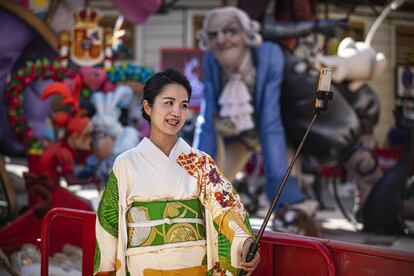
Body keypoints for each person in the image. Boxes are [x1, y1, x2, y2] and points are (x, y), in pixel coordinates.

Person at [94, 68, 260, 275]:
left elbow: (226, 207)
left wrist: (244, 242)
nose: (177, 112)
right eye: (168, 103)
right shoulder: (125, 164)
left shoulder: (200, 162)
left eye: (184, 105)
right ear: (147, 106)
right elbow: (108, 225)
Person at [193, 6, 315, 227]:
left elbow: (270, 121)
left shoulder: (268, 55)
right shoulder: (211, 59)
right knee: (213, 189)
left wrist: (280, 194)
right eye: (213, 34)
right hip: (238, 135)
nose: (221, 39)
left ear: (246, 33)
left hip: (274, 132)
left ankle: (289, 210)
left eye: (230, 31)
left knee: (285, 188)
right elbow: (207, 117)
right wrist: (196, 179)